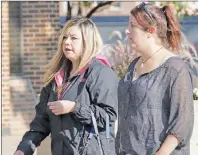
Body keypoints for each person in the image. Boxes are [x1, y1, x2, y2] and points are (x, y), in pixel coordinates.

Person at [14, 18, 118, 155]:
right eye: (64, 37)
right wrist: (24, 148)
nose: (66, 42)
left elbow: (108, 116)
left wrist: (74, 107)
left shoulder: (101, 72)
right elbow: (42, 121)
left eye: (74, 38)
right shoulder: (56, 77)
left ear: (88, 42)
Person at [116, 2, 194, 155]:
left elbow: (183, 122)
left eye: (132, 26)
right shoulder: (133, 65)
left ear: (150, 31)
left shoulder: (175, 69)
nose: (127, 31)